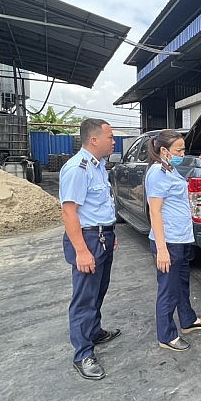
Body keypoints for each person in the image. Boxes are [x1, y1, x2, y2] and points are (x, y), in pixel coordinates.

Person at [59, 118, 121, 381]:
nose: (114, 141)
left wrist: (108, 231)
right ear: (94, 139)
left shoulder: (99, 166)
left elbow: (99, 205)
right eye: (110, 137)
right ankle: (83, 353)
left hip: (102, 236)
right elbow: (69, 211)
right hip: (88, 240)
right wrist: (82, 251)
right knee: (84, 297)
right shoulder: (77, 168)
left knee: (98, 291)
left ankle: (94, 332)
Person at [145, 129, 201, 352]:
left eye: (183, 149)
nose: (183, 153)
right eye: (179, 149)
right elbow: (155, 212)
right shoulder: (156, 174)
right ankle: (166, 335)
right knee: (168, 289)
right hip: (168, 242)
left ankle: (188, 320)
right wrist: (162, 250)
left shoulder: (169, 168)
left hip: (180, 239)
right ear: (164, 150)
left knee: (182, 283)